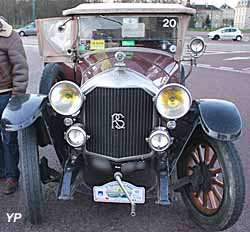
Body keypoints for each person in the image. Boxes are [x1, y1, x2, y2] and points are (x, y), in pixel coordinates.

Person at [0, 17, 28, 194]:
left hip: (5, 95)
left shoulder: (10, 36)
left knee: (8, 138)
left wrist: (17, 95)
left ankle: (11, 177)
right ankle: (2, 172)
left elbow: (20, 67)